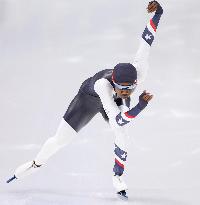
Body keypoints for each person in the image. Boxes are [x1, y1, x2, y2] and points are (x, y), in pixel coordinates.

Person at [7, 1, 163, 199]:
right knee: (60, 140)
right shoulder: (103, 86)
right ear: (114, 83)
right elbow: (118, 119)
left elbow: (147, 41)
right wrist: (140, 105)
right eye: (122, 89)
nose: (125, 93)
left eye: (129, 89)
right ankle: (36, 163)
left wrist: (158, 12)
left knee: (122, 136)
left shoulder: (139, 71)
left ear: (135, 82)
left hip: (111, 102)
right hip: (88, 99)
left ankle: (117, 176)